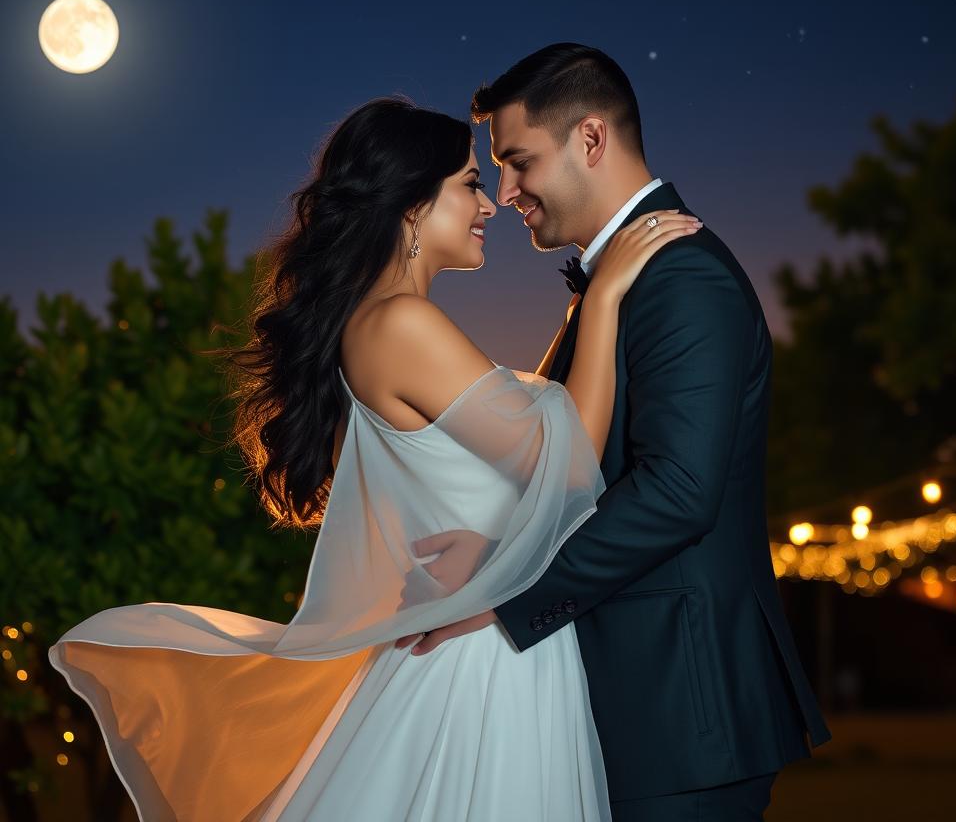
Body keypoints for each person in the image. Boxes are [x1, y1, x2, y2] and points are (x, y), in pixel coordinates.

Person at [47, 95, 700, 821]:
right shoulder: (400, 324)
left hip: (479, 641)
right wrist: (607, 294)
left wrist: (494, 545)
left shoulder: (377, 325)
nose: (492, 203)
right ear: (412, 206)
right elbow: (573, 461)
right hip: (479, 669)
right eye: (471, 183)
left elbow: (523, 464)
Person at [398, 43, 833, 821]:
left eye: (519, 162)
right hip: (639, 709)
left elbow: (678, 492)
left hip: (683, 714)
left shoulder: (683, 276)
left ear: (590, 140)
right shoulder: (620, 285)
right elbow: (573, 465)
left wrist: (505, 587)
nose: (507, 191)